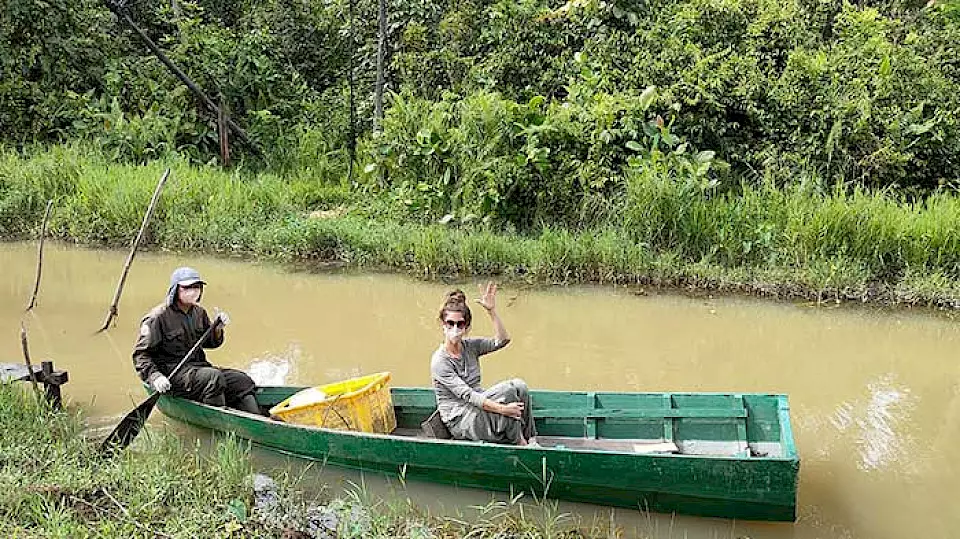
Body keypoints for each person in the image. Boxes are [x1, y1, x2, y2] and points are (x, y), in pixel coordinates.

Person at [132, 267, 262, 415]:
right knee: (213, 378)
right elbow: (140, 355)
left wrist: (217, 329)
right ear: (175, 289)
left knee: (242, 380)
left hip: (197, 369)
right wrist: (155, 377)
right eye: (187, 287)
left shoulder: (199, 313)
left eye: (196, 287)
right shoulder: (157, 317)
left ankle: (258, 417)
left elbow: (210, 343)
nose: (193, 291)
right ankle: (219, 421)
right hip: (173, 374)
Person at [430, 282, 537, 446]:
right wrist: (503, 409)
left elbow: (502, 340)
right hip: (460, 419)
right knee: (507, 392)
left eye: (460, 324)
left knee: (519, 386)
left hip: (478, 406)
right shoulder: (440, 361)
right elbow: (468, 395)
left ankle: (531, 438)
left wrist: (491, 311)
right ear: (443, 325)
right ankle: (520, 443)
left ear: (466, 326)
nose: (455, 328)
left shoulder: (470, 346)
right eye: (450, 323)